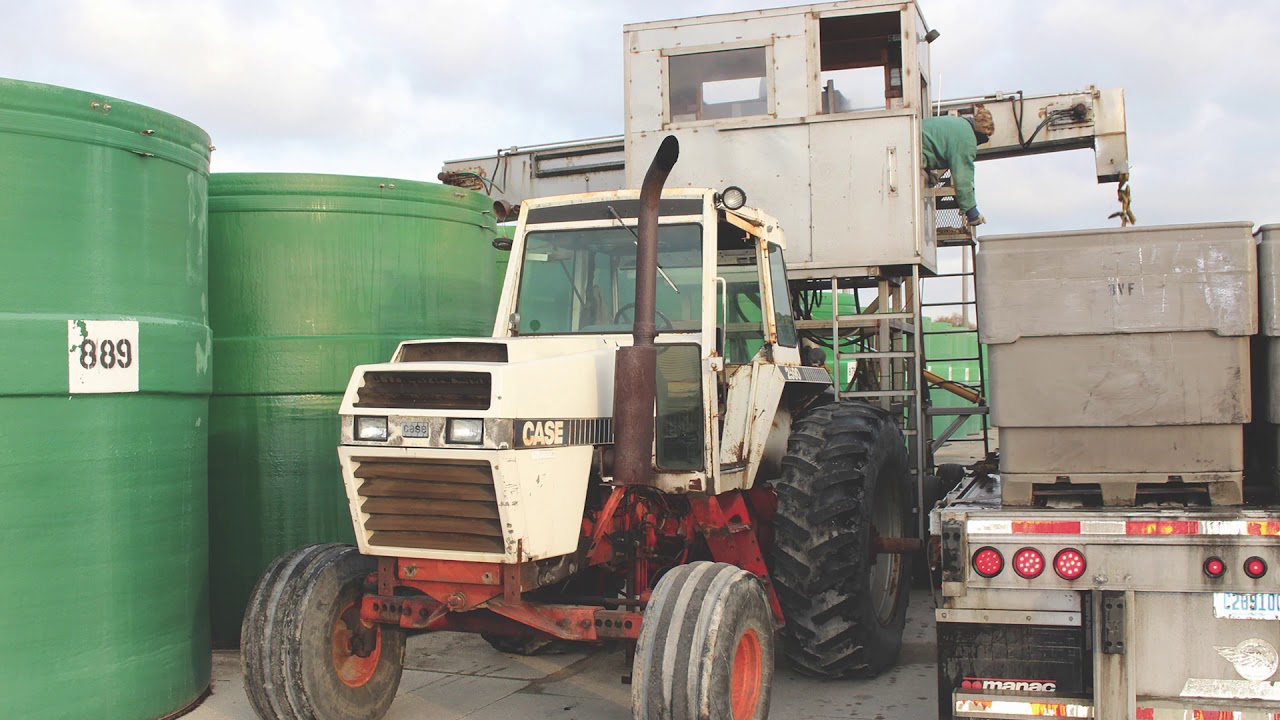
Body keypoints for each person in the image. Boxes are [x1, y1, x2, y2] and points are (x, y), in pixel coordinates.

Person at [922, 107, 995, 227]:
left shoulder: (959, 124)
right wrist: (972, 212)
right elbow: (963, 176)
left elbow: (934, 141)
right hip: (911, 151)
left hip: (912, 141)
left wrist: (927, 171)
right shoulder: (967, 138)